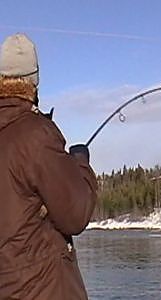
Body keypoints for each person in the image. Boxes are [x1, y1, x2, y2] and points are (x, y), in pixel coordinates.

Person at [0, 33, 97, 299]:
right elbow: (75, 214)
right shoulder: (35, 134)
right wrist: (80, 162)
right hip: (41, 290)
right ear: (34, 82)